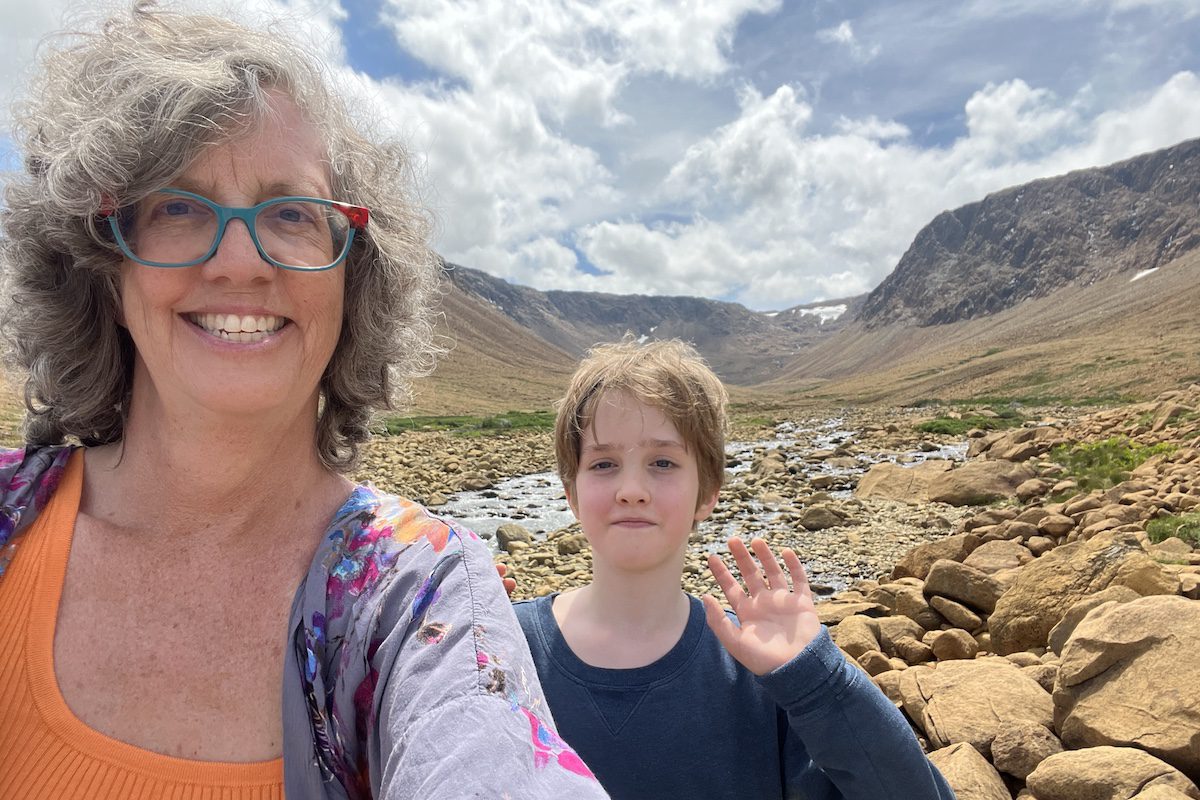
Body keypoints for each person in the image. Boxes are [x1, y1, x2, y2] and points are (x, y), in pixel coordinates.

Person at [0, 4, 610, 798]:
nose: (239, 261)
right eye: (178, 207)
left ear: (353, 280)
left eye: (292, 213)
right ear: (103, 268)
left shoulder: (420, 591)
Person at [514, 339, 956, 799]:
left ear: (707, 493)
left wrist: (818, 681)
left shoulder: (760, 669)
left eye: (662, 462)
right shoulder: (503, 649)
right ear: (571, 492)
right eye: (604, 463)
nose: (631, 489)